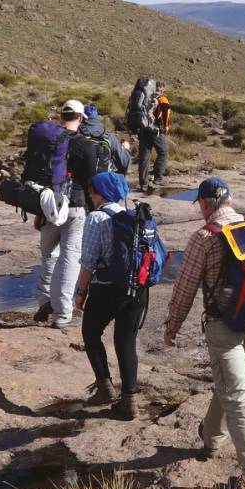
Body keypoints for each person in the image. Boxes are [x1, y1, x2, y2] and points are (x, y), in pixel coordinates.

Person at [163, 176, 245, 486]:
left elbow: (185, 288)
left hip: (224, 328)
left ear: (204, 204)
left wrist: (172, 327)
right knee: (228, 382)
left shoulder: (204, 237)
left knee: (238, 397)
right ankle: (212, 439)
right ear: (228, 200)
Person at [72, 171, 146, 419]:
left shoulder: (96, 218)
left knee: (90, 332)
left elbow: (88, 263)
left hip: (108, 287)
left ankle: (104, 387)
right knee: (126, 342)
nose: (90, 196)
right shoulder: (135, 216)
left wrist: (80, 293)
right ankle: (129, 400)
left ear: (101, 193)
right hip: (138, 287)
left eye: (92, 191)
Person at [33, 99, 96, 328]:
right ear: (80, 118)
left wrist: (39, 212)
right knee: (70, 258)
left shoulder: (49, 141)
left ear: (62, 117)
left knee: (49, 254)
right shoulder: (86, 145)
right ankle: (62, 314)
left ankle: (44, 299)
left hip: (49, 205)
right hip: (75, 207)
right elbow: (91, 181)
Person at [138, 81, 171, 193]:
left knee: (144, 158)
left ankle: (143, 184)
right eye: (161, 90)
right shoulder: (162, 99)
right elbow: (167, 112)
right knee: (163, 152)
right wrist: (166, 126)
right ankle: (158, 178)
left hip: (142, 130)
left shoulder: (144, 97)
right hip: (155, 131)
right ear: (161, 90)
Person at [81, 104, 131, 175]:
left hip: (80, 181)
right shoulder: (109, 136)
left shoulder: (77, 134)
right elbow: (125, 164)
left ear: (82, 117)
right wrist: (126, 149)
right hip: (103, 181)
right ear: (97, 117)